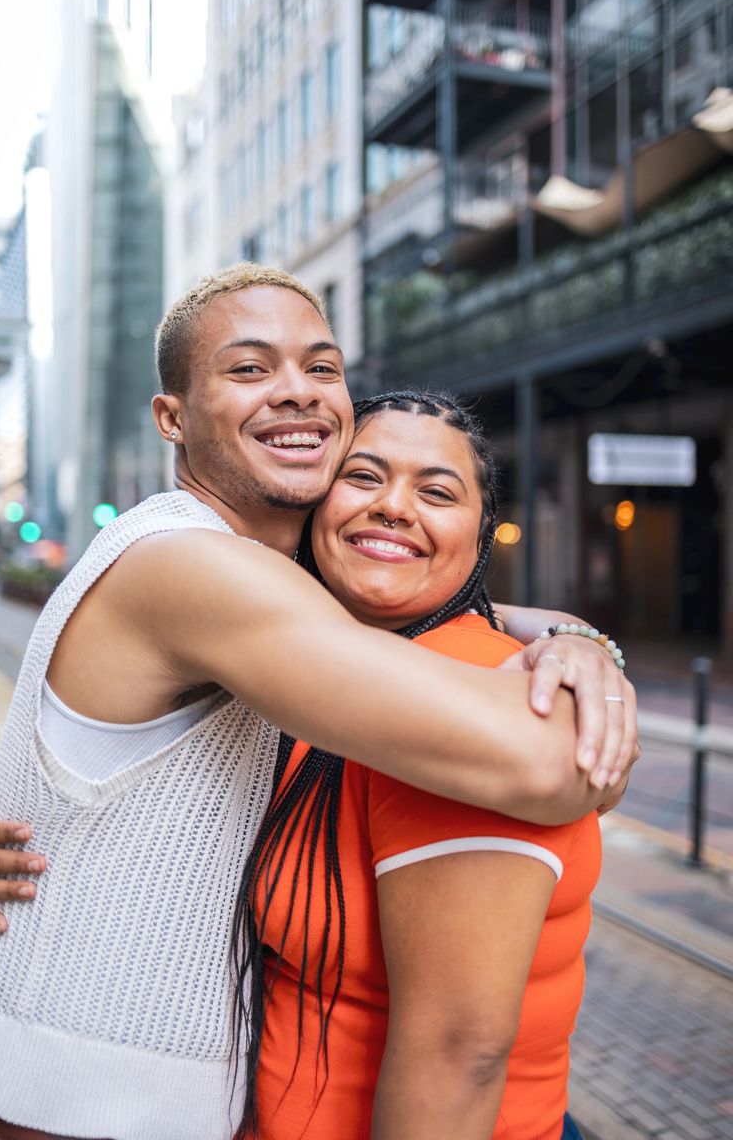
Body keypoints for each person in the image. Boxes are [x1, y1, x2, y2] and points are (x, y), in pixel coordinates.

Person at [0, 265, 634, 1140]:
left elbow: (407, 591)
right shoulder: (192, 566)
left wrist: (577, 639)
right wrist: (588, 693)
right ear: (173, 419)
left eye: (322, 367)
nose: (296, 394)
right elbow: (547, 761)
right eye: (250, 369)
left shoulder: (279, 586)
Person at [233, 391, 611, 1140]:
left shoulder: (478, 694)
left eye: (436, 492)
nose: (394, 507)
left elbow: (458, 1052)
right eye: (364, 477)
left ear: (479, 535)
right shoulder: (314, 677)